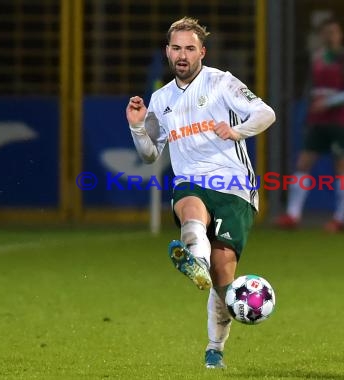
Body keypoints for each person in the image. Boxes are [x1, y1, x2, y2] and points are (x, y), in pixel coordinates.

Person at [125, 17, 275, 369]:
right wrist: (136, 126)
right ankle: (196, 261)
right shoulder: (160, 99)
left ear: (201, 52)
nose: (182, 55)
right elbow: (150, 154)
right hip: (190, 180)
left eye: (189, 48)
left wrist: (237, 131)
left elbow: (266, 113)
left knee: (225, 276)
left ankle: (214, 349)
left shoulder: (221, 83)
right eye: (176, 48)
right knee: (190, 210)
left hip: (233, 186)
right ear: (167, 51)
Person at [276, 17, 344, 232]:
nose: (330, 36)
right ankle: (293, 215)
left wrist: (329, 102)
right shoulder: (317, 58)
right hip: (317, 119)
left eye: (334, 31)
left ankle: (340, 218)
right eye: (326, 32)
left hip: (339, 119)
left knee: (341, 166)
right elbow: (312, 89)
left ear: (340, 34)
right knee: (303, 163)